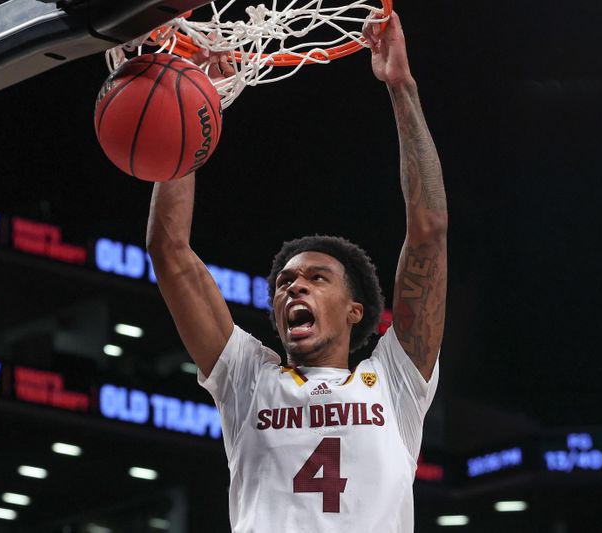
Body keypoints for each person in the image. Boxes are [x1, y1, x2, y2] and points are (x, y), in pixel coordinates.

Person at [146, 11, 447, 533]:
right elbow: (169, 251)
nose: (294, 286)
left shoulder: (393, 384)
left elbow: (429, 232)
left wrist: (401, 86)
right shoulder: (249, 379)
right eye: (284, 282)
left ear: (357, 311)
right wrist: (193, 112)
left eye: (315, 277)